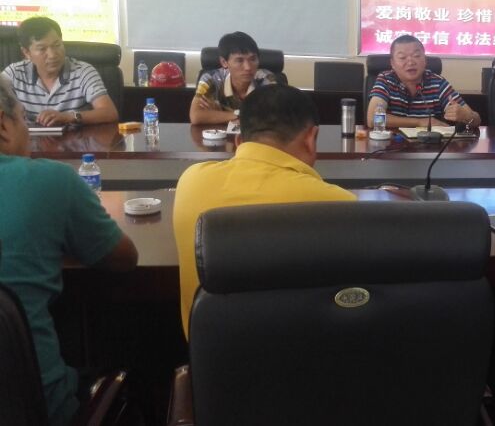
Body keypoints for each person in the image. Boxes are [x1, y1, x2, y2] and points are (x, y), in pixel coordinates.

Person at [0, 77, 137, 426]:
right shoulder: (50, 181)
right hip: (35, 409)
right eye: (23, 118)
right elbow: (124, 258)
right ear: (4, 124)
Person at [174, 85, 356, 335]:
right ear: (311, 138)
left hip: (209, 352)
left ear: (238, 141)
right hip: (304, 352)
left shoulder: (191, 180)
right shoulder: (339, 205)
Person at [2, 16, 118, 126]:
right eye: (42, 49)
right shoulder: (14, 73)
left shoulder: (83, 71)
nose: (52, 55)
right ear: (26, 52)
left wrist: (69, 117)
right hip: (28, 140)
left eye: (57, 45)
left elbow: (109, 113)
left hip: (76, 139)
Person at [366, 35, 480, 128]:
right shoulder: (386, 80)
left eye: (416, 56)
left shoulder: (437, 83)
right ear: (392, 63)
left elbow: (476, 120)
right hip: (391, 145)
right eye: (402, 57)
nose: (410, 62)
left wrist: (466, 116)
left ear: (425, 60)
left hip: (430, 147)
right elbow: (373, 119)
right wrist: (420, 122)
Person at [190, 31, 277, 125]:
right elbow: (196, 116)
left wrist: (219, 114)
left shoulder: (266, 79)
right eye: (240, 60)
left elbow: (275, 116)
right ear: (224, 62)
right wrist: (240, 115)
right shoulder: (211, 79)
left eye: (253, 59)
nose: (248, 67)